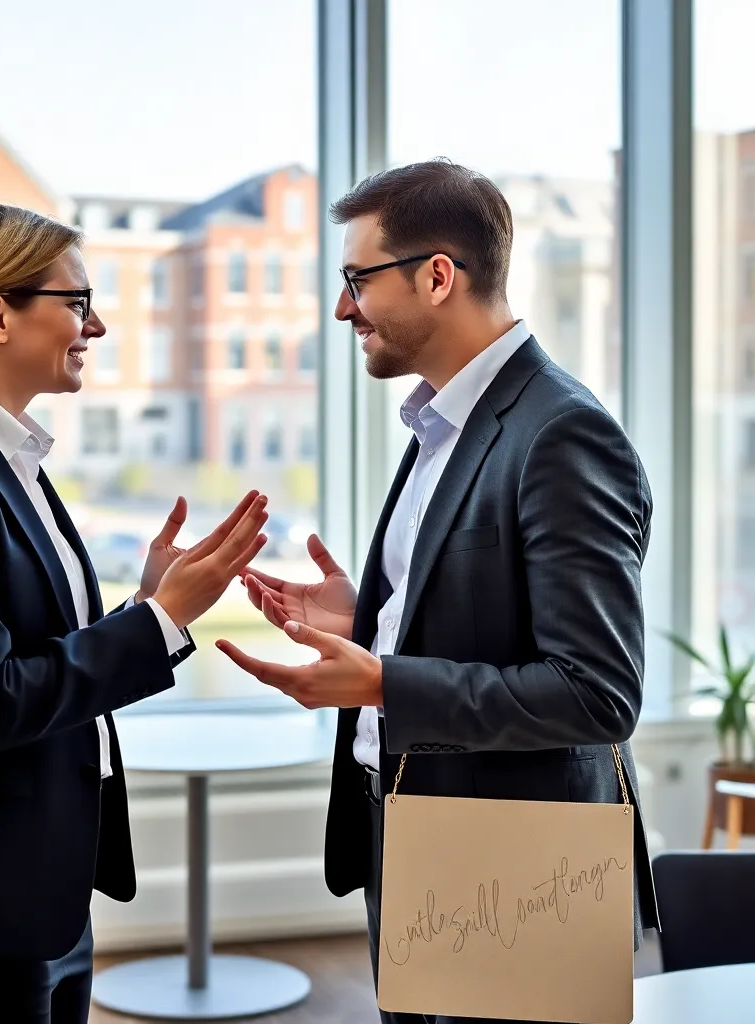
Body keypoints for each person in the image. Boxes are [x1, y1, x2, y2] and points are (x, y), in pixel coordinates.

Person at [218, 160, 660, 1024]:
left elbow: (597, 693)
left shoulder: (562, 433)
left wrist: (383, 679)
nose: (342, 308)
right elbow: (483, 613)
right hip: (416, 826)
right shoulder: (443, 422)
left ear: (437, 276)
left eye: (357, 280)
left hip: (519, 863)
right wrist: (372, 619)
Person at [0, 201, 269, 1023]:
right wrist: (160, 621)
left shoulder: (2, 455)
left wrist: (148, 603)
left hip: (36, 888)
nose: (95, 326)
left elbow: (36, 648)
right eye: (77, 302)